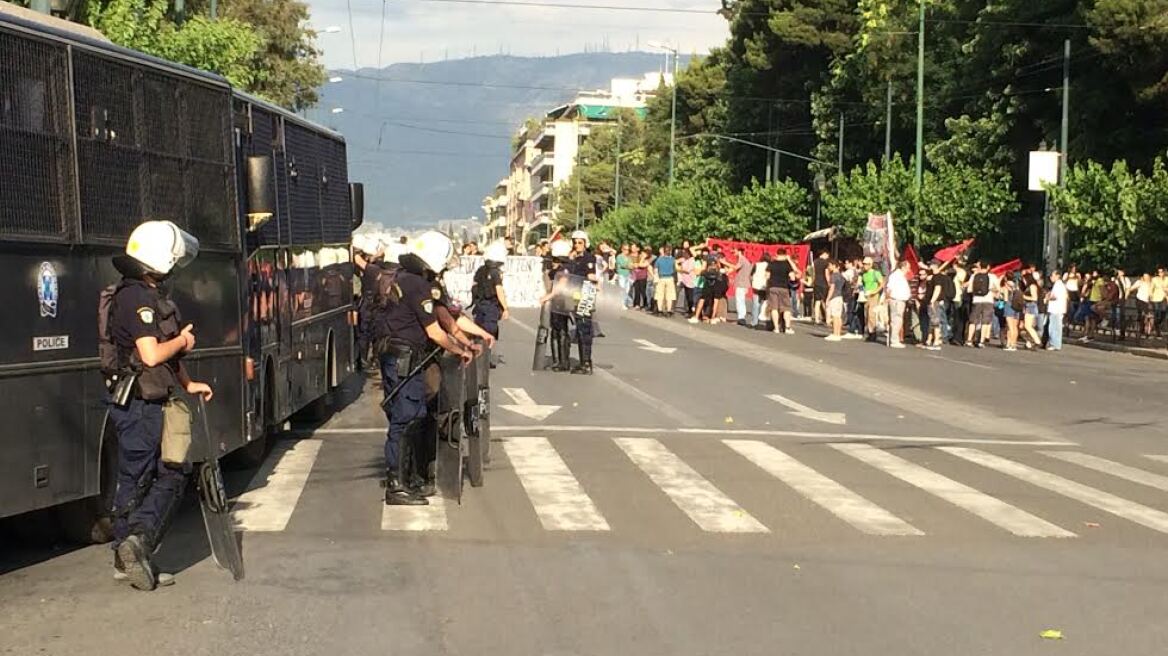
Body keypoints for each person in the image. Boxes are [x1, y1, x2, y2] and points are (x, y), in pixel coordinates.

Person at [107, 220, 213, 591]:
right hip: (140, 405)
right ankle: (139, 542)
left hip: (143, 400)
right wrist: (183, 343)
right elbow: (152, 355)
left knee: (135, 479)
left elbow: (161, 357)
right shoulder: (138, 299)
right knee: (166, 474)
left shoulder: (136, 293)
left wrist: (189, 382)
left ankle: (126, 554)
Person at [375, 231, 473, 505]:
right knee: (405, 419)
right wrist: (461, 350)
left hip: (398, 356)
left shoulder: (401, 278)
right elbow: (435, 333)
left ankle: (407, 478)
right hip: (405, 359)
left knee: (414, 415)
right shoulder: (417, 285)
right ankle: (396, 484)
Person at [472, 240, 510, 342]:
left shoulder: (481, 269)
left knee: (478, 332)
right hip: (490, 306)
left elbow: (474, 286)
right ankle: (485, 355)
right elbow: (499, 290)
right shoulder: (495, 272)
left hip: (479, 305)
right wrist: (505, 308)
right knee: (489, 335)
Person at [966, 262, 998, 348]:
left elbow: (969, 290)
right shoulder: (992, 277)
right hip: (988, 301)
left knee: (973, 321)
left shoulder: (974, 276)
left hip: (976, 300)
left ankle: (969, 340)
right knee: (985, 321)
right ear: (988, 267)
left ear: (980, 267)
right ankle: (981, 341)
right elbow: (997, 289)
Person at [766, 250, 797, 334]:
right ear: (785, 255)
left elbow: (767, 276)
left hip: (773, 287)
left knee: (774, 307)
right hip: (784, 287)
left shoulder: (772, 263)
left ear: (777, 254)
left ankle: (776, 328)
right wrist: (789, 260)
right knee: (786, 308)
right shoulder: (787, 264)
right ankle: (787, 328)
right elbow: (793, 276)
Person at [885, 260, 912, 348]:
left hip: (900, 300)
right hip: (897, 300)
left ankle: (894, 338)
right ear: (903, 267)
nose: (909, 270)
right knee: (896, 320)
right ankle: (894, 340)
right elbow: (889, 288)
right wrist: (888, 298)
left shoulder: (900, 276)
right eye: (908, 268)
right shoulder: (895, 275)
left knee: (898, 320)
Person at [859, 257, 884, 341]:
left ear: (871, 265)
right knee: (866, 314)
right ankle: (869, 332)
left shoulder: (875, 273)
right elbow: (862, 284)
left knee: (871, 314)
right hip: (866, 296)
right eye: (864, 264)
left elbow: (881, 284)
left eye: (866, 264)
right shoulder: (863, 274)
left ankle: (873, 333)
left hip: (874, 295)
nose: (864, 265)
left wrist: (875, 291)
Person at [653, 244, 677, 318]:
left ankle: (660, 310)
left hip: (661, 278)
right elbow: (675, 269)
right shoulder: (673, 259)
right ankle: (669, 311)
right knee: (669, 295)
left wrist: (656, 278)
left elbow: (656, 269)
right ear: (670, 251)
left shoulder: (659, 259)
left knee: (660, 295)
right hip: (670, 278)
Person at [824, 260, 846, 341]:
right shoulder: (841, 276)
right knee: (838, 316)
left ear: (834, 266)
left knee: (835, 316)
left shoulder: (834, 275)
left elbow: (831, 287)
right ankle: (838, 333)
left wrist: (828, 298)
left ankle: (835, 333)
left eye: (830, 265)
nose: (829, 267)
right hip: (840, 296)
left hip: (834, 297)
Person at [1046, 270, 1067, 351]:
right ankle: (1055, 343)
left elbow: (1054, 296)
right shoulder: (1059, 284)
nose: (1051, 277)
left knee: (1054, 327)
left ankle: (1055, 344)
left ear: (1057, 276)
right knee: (1055, 327)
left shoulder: (1058, 285)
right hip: (1057, 309)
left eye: (1052, 275)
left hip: (1056, 309)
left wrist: (1048, 297)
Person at [731, 248, 753, 325]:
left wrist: (724, 262)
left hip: (741, 283)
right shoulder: (744, 260)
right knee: (741, 300)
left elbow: (735, 267)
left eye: (735, 251)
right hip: (744, 283)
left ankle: (741, 318)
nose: (733, 253)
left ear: (739, 252)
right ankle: (741, 318)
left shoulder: (742, 259)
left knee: (740, 301)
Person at [750, 252, 771, 328]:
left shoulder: (756, 264)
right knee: (765, 304)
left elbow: (751, 275)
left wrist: (752, 283)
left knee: (756, 305)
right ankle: (766, 321)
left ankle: (754, 322)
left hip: (756, 286)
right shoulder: (770, 265)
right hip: (766, 287)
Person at [812, 251, 830, 325]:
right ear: (824, 254)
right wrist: (829, 282)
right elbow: (826, 274)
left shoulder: (814, 261)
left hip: (816, 282)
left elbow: (812, 272)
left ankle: (816, 319)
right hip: (824, 283)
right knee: (825, 301)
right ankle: (828, 318)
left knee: (817, 301)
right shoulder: (826, 263)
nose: (828, 257)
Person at [615, 244, 632, 309]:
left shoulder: (628, 257)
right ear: (622, 249)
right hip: (621, 274)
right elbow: (623, 265)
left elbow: (631, 265)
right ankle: (621, 304)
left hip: (628, 275)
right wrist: (629, 266)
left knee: (627, 290)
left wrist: (630, 266)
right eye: (625, 249)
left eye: (628, 250)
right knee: (622, 289)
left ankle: (624, 303)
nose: (626, 251)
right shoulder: (619, 256)